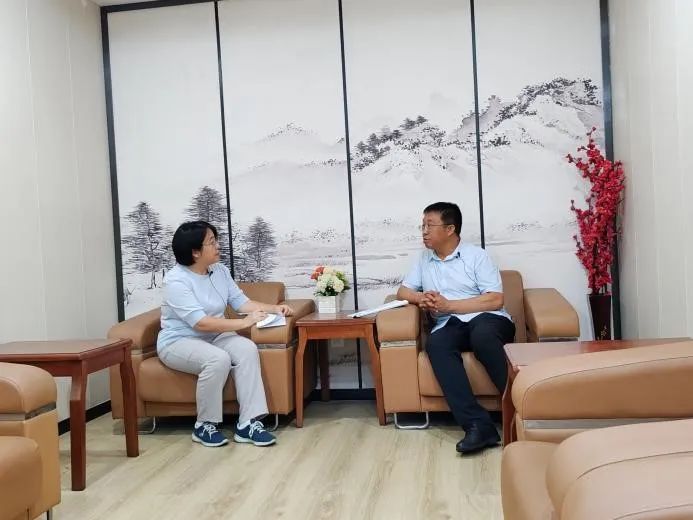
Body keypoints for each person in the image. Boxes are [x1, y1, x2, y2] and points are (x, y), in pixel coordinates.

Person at [157, 221, 294, 448]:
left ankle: (248, 423)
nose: (218, 246)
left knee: (247, 348)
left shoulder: (219, 270)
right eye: (211, 242)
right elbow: (200, 323)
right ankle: (204, 425)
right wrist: (244, 323)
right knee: (217, 359)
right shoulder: (176, 281)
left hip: (215, 336)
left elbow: (241, 302)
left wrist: (274, 308)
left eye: (216, 240)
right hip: (179, 341)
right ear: (195, 252)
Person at [397, 202, 515, 454]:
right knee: (437, 344)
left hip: (488, 318)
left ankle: (520, 411)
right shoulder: (424, 258)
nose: (424, 231)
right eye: (422, 226)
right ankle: (477, 426)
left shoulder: (477, 256)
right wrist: (421, 298)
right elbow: (403, 291)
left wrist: (449, 305)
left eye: (430, 225)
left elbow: (495, 299)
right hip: (450, 323)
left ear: (450, 229)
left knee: (483, 336)